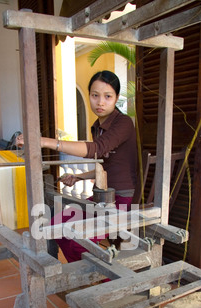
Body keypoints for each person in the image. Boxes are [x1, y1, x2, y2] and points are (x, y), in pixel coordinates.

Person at [19, 70, 138, 262]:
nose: (100, 102)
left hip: (122, 199)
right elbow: (106, 167)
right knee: (56, 226)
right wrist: (78, 177)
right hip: (102, 196)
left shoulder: (124, 123)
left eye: (107, 96)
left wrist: (45, 141)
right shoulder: (97, 126)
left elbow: (97, 149)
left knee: (78, 240)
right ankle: (85, 277)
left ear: (116, 98)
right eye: (95, 95)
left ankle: (103, 280)